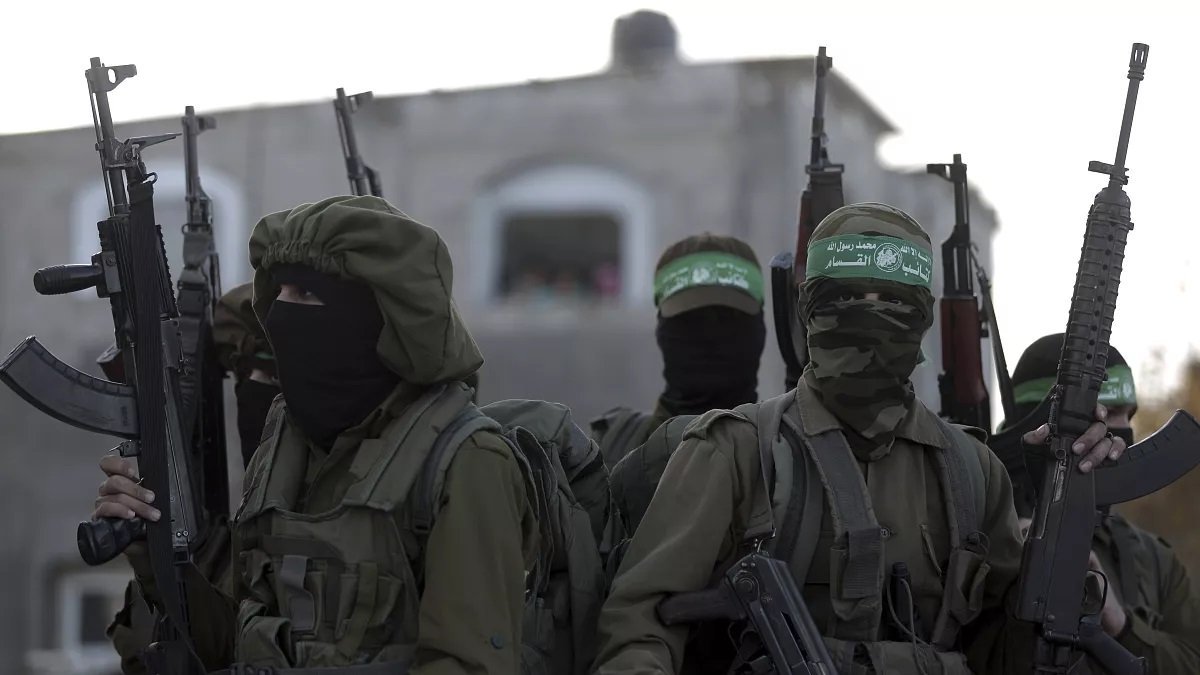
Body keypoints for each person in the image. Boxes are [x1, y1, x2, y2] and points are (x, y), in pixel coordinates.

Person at [592, 203, 1125, 674]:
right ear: (807, 310)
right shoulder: (734, 451)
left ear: (922, 317)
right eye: (844, 298)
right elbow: (641, 624)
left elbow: (1010, 650)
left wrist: (1061, 537)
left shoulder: (973, 472)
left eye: (893, 302)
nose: (869, 316)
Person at [92, 195, 537, 673]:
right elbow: (238, 644)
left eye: (305, 294)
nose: (281, 313)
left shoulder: (466, 460)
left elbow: (468, 663)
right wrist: (157, 550)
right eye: (279, 292)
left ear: (374, 318)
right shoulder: (285, 446)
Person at [1000, 333, 1200, 673]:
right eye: (1112, 412)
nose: (1125, 430)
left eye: (1129, 414)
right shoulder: (983, 532)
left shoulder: (1153, 560)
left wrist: (1121, 625)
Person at [590, 233, 766, 468]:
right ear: (662, 329)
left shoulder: (793, 455)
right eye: (691, 321)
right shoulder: (609, 452)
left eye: (728, 318)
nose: (710, 334)